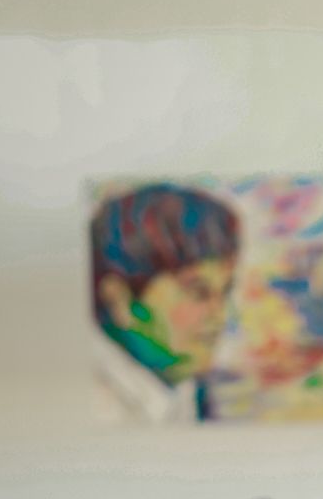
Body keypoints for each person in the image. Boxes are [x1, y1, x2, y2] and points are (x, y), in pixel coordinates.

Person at [90, 182, 241, 424]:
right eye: (198, 293)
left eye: (225, 292)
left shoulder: (187, 393)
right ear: (119, 299)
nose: (220, 314)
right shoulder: (99, 405)